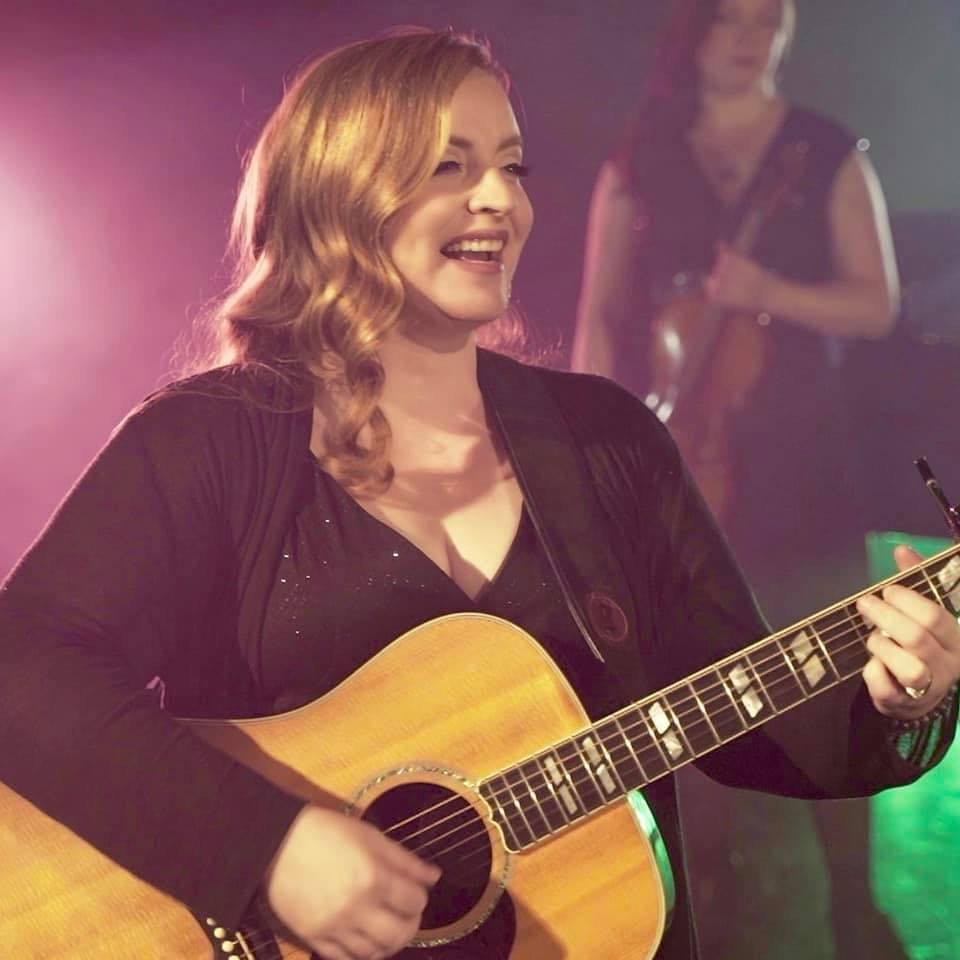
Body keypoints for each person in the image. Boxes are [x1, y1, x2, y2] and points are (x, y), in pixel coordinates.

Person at [0, 26, 957, 960]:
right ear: (339, 194)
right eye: (450, 167)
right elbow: (22, 669)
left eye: (511, 165)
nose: (501, 198)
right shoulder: (207, 442)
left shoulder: (606, 440)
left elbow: (747, 721)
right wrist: (265, 851)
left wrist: (899, 695)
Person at [570, 0, 913, 955]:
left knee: (844, 687)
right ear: (696, 29)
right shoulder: (641, 155)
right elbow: (598, 315)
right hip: (681, 476)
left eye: (771, 20)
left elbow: (877, 303)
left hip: (805, 471)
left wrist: (768, 294)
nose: (752, 37)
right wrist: (589, 455)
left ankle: (855, 908)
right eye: (733, 19)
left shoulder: (825, 150)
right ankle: (710, 919)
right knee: (698, 712)